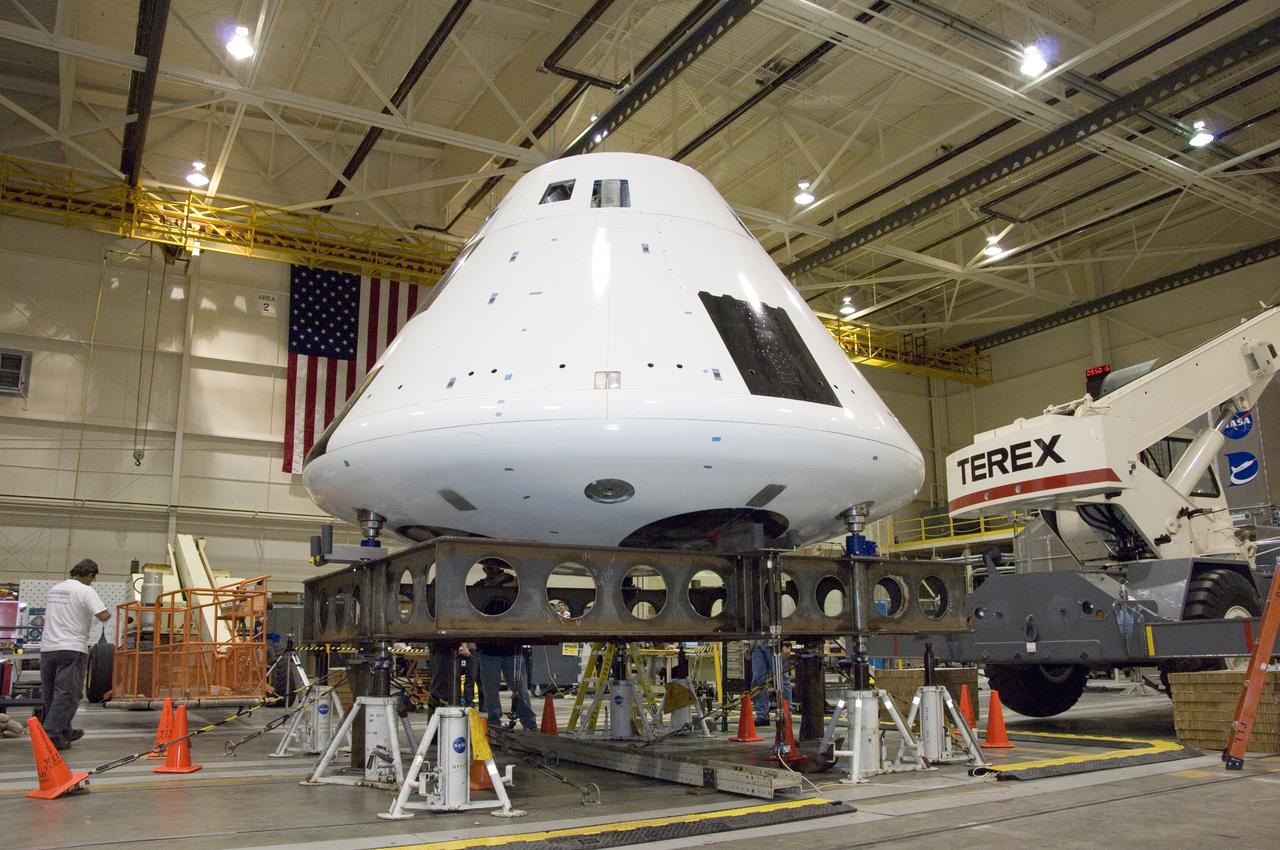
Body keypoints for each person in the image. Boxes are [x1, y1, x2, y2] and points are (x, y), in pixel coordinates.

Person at [41, 559, 110, 750]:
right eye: (93, 578)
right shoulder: (85, 590)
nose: (92, 582)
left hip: (48, 648)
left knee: (51, 694)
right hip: (71, 648)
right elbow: (103, 614)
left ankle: (64, 730)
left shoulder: (55, 589)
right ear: (90, 575)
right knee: (68, 694)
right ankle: (51, 736)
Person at [474, 561, 537, 730]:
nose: (492, 570)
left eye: (495, 567)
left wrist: (508, 580)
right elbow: (476, 598)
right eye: (489, 567)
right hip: (488, 647)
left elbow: (525, 594)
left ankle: (529, 722)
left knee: (520, 688)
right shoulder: (479, 587)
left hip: (511, 647)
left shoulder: (511, 582)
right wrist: (495, 583)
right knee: (490, 690)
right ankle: (494, 723)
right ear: (484, 569)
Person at [749, 639, 792, 726]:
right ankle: (762, 716)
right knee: (758, 681)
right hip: (757, 642)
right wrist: (746, 645)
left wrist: (787, 644)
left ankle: (786, 713)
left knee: (781, 679)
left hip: (776, 643)